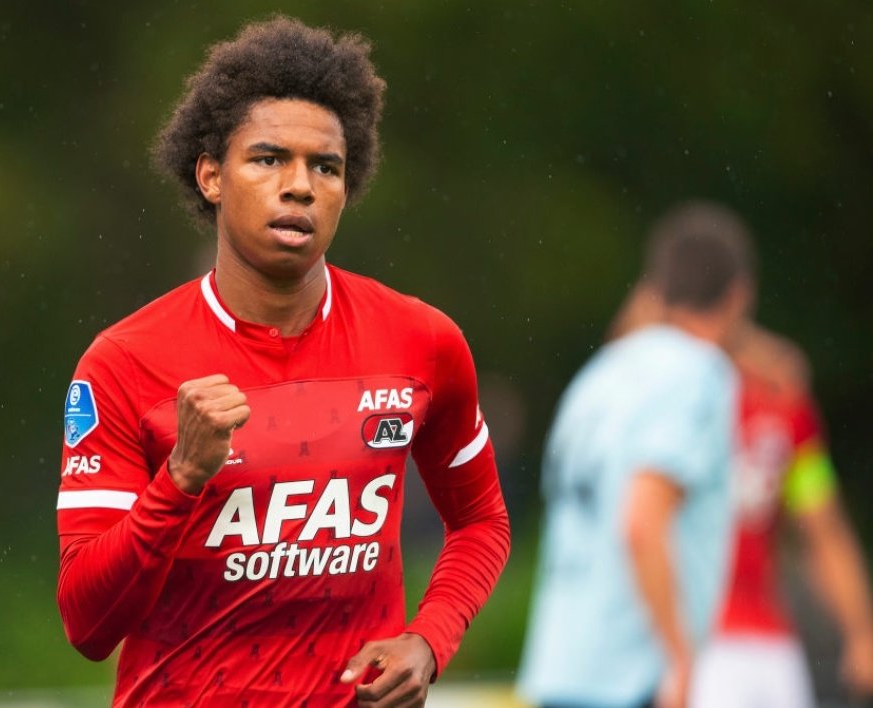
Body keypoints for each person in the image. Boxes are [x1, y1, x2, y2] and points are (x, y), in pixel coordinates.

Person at [54, 16, 510, 707]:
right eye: (268, 159)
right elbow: (87, 625)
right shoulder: (123, 362)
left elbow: (480, 521)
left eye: (326, 167)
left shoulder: (422, 341)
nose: (300, 186)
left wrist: (429, 639)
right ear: (211, 176)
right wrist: (181, 478)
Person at [516, 201, 754, 708]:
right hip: (630, 673)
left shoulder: (601, 372)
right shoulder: (698, 373)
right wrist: (679, 657)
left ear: (657, 289)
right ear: (738, 296)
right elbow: (642, 521)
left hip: (561, 663)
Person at [685, 322, 873, 708]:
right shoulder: (673, 408)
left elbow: (823, 528)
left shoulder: (784, 409)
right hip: (699, 639)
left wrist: (861, 632)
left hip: (763, 640)